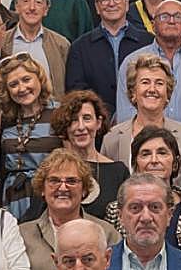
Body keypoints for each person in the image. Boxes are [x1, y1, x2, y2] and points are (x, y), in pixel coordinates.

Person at [18, 150, 121, 270]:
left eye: (72, 181)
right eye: (54, 181)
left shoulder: (107, 233)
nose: (63, 187)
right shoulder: (23, 235)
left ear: (85, 190)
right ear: (42, 189)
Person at [102, 53, 181, 198]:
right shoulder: (112, 137)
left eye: (159, 83)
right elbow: (106, 187)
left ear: (168, 93)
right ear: (133, 92)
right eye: (145, 82)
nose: (152, 89)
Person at [107, 126, 181, 259]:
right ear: (135, 164)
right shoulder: (116, 210)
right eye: (145, 154)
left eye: (162, 153)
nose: (154, 160)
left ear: (175, 163)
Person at [116, 0, 181, 125]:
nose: (171, 21)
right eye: (164, 17)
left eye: (178, 17)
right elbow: (126, 113)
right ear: (153, 25)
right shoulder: (132, 63)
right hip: (143, 142)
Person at [64, 0, 153, 120]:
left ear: (127, 3)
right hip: (98, 126)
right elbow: (77, 93)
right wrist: (106, 117)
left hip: (144, 122)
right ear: (97, 7)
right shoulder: (79, 47)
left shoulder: (148, 42)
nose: (111, 3)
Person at [0, 53, 63, 220]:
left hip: (49, 196)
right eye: (13, 84)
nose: (22, 88)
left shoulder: (59, 112)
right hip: (12, 198)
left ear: (39, 79)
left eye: (26, 79)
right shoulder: (4, 118)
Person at [50, 89, 132, 217]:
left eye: (87, 118)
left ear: (98, 123)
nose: (81, 127)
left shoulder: (118, 172)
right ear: (65, 126)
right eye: (73, 120)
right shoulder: (53, 170)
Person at [2, 0, 71, 97]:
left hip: (51, 111)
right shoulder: (2, 42)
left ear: (46, 9)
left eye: (38, 2)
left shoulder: (61, 45)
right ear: (17, 7)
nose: (32, 7)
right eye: (26, 1)